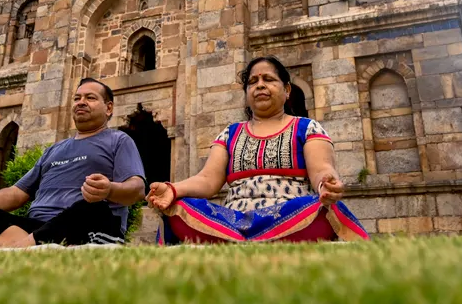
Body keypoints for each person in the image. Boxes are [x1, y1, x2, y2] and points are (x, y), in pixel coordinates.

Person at [146, 56, 369, 244]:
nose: (260, 85)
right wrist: (173, 189)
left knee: (323, 207)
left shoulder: (306, 127)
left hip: (290, 215)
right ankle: (244, 237)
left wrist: (326, 183)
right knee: (179, 206)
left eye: (269, 79)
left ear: (287, 89)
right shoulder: (230, 134)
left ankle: (236, 240)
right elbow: (207, 180)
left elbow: (321, 169)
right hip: (234, 220)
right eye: (253, 82)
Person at [0, 78, 147, 249]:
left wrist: (109, 190)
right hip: (37, 229)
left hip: (86, 223)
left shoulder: (118, 141)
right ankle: (22, 249)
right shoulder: (54, 150)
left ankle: (5, 250)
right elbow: (17, 193)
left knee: (90, 208)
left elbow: (137, 189)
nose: (81, 102)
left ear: (109, 108)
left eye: (90, 98)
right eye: (77, 98)